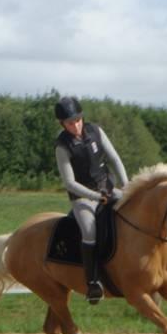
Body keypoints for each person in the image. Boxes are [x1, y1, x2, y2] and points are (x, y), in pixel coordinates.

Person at [54, 96, 129, 305]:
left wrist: (127, 185)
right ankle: (93, 282)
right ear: (63, 124)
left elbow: (114, 159)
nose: (76, 125)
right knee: (89, 230)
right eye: (70, 123)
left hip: (107, 188)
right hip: (82, 198)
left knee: (134, 209)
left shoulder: (96, 131)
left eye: (78, 120)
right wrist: (95, 196)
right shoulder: (62, 146)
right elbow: (69, 182)